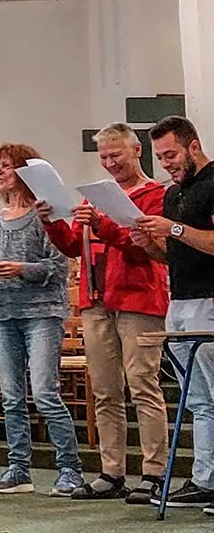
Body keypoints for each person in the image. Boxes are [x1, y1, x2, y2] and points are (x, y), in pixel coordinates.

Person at [36, 123, 169, 503]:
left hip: (138, 298)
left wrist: (104, 224)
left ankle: (154, 472)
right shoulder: (95, 198)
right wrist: (51, 220)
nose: (110, 163)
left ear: (136, 151)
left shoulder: (156, 195)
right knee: (106, 391)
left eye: (117, 155)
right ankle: (112, 471)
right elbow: (75, 248)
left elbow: (146, 247)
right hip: (96, 300)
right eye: (105, 157)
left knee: (143, 385)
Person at [0, 144, 83, 497]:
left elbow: (59, 268)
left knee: (44, 392)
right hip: (4, 313)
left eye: (6, 166)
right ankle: (18, 469)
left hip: (42, 313)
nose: (0, 172)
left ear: (24, 171)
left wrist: (23, 269)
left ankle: (70, 469)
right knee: (10, 396)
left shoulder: (46, 215)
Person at [131, 116, 214, 511]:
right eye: (161, 157)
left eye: (171, 155)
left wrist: (174, 229)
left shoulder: (213, 183)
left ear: (193, 146)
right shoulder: (172, 194)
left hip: (210, 300)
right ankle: (205, 478)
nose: (166, 164)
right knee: (197, 399)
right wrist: (149, 243)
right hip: (178, 302)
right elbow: (170, 256)